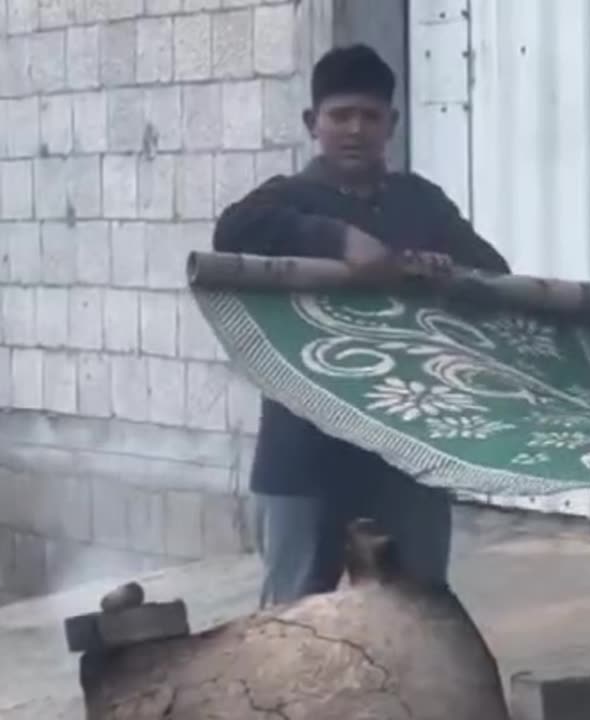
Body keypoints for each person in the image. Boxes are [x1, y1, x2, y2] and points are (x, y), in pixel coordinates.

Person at [212, 44, 511, 606]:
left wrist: (445, 272)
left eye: (370, 116)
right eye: (340, 115)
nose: (355, 129)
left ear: (391, 124)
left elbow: (493, 271)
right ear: (312, 123)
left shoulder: (420, 203)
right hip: (304, 449)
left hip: (407, 444)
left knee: (420, 616)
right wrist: (339, 241)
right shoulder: (288, 199)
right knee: (295, 621)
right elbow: (233, 230)